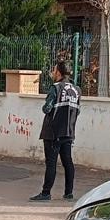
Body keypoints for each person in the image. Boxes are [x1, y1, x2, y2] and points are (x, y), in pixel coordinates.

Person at [32, 61, 81, 201]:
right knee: (68, 162)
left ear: (59, 72)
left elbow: (47, 108)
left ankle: (46, 193)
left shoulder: (56, 88)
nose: (53, 73)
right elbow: (78, 111)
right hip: (68, 131)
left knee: (51, 163)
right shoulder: (77, 90)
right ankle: (68, 192)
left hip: (53, 133)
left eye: (54, 70)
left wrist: (47, 106)